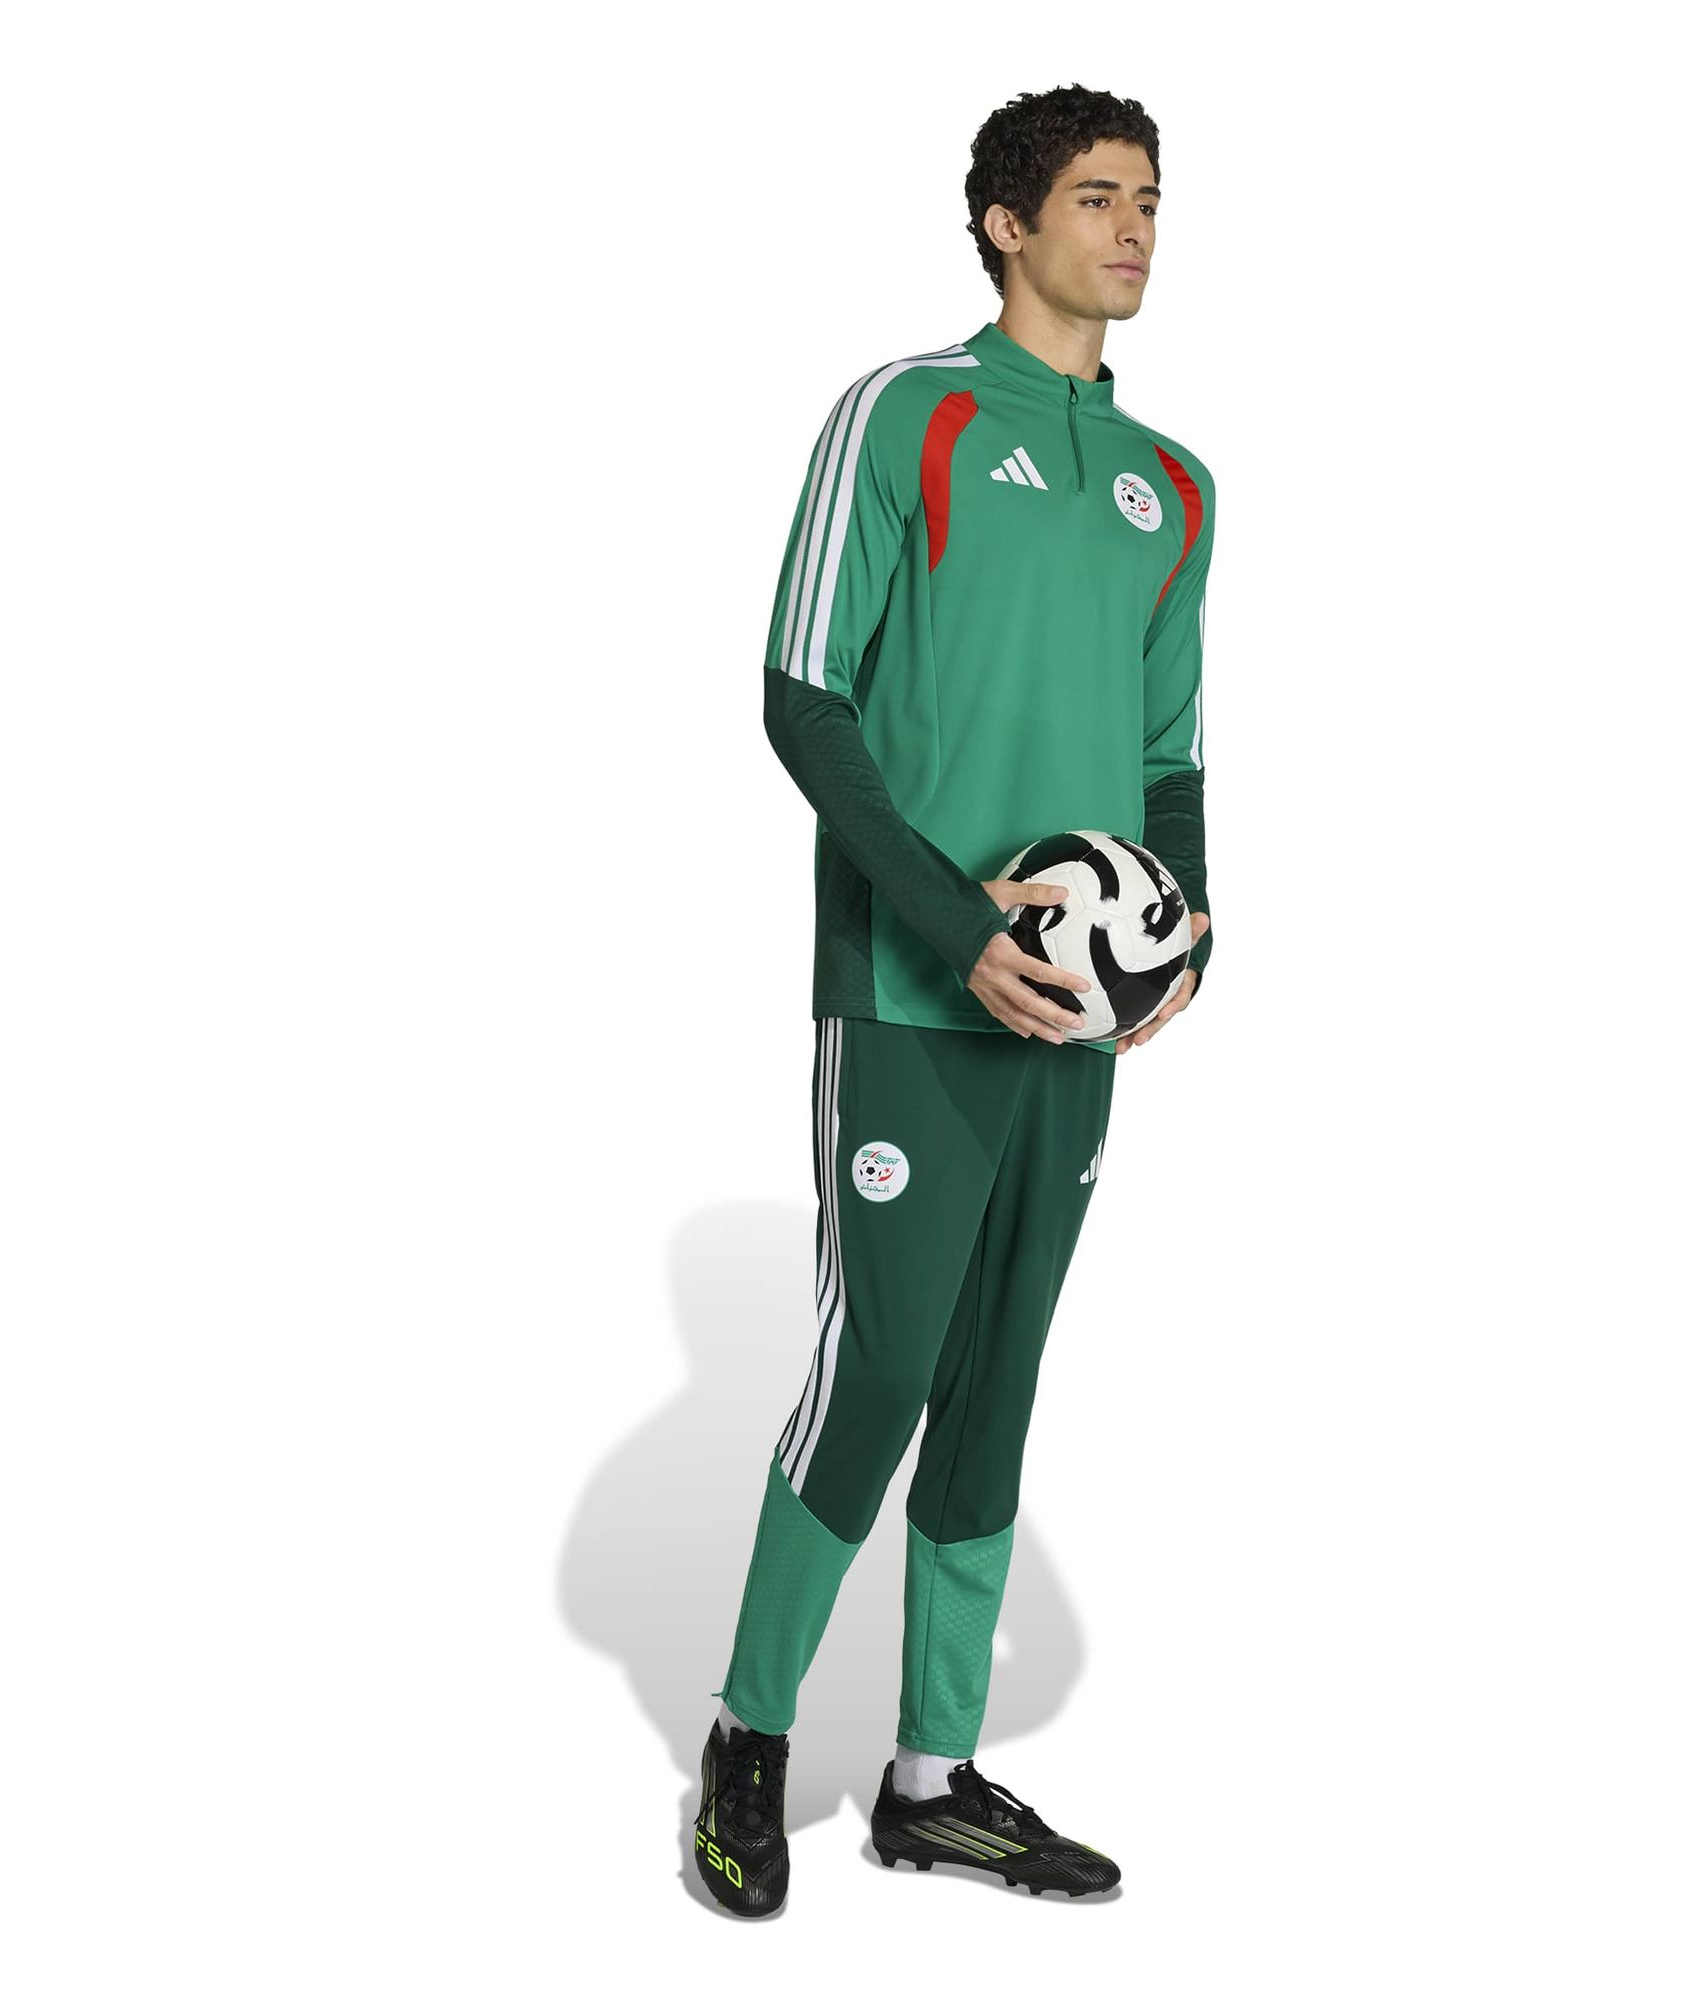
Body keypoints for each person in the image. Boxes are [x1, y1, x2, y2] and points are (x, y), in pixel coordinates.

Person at [691, 83, 1216, 1915]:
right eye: (1098, 197)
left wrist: (1187, 927)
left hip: (1075, 1020)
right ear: (1006, 222)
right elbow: (800, 694)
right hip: (912, 995)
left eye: (1150, 198)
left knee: (999, 1381)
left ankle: (933, 1776)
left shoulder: (1174, 486)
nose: (1136, 228)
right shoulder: (903, 416)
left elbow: (1171, 750)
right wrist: (943, 913)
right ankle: (751, 1733)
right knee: (882, 1371)